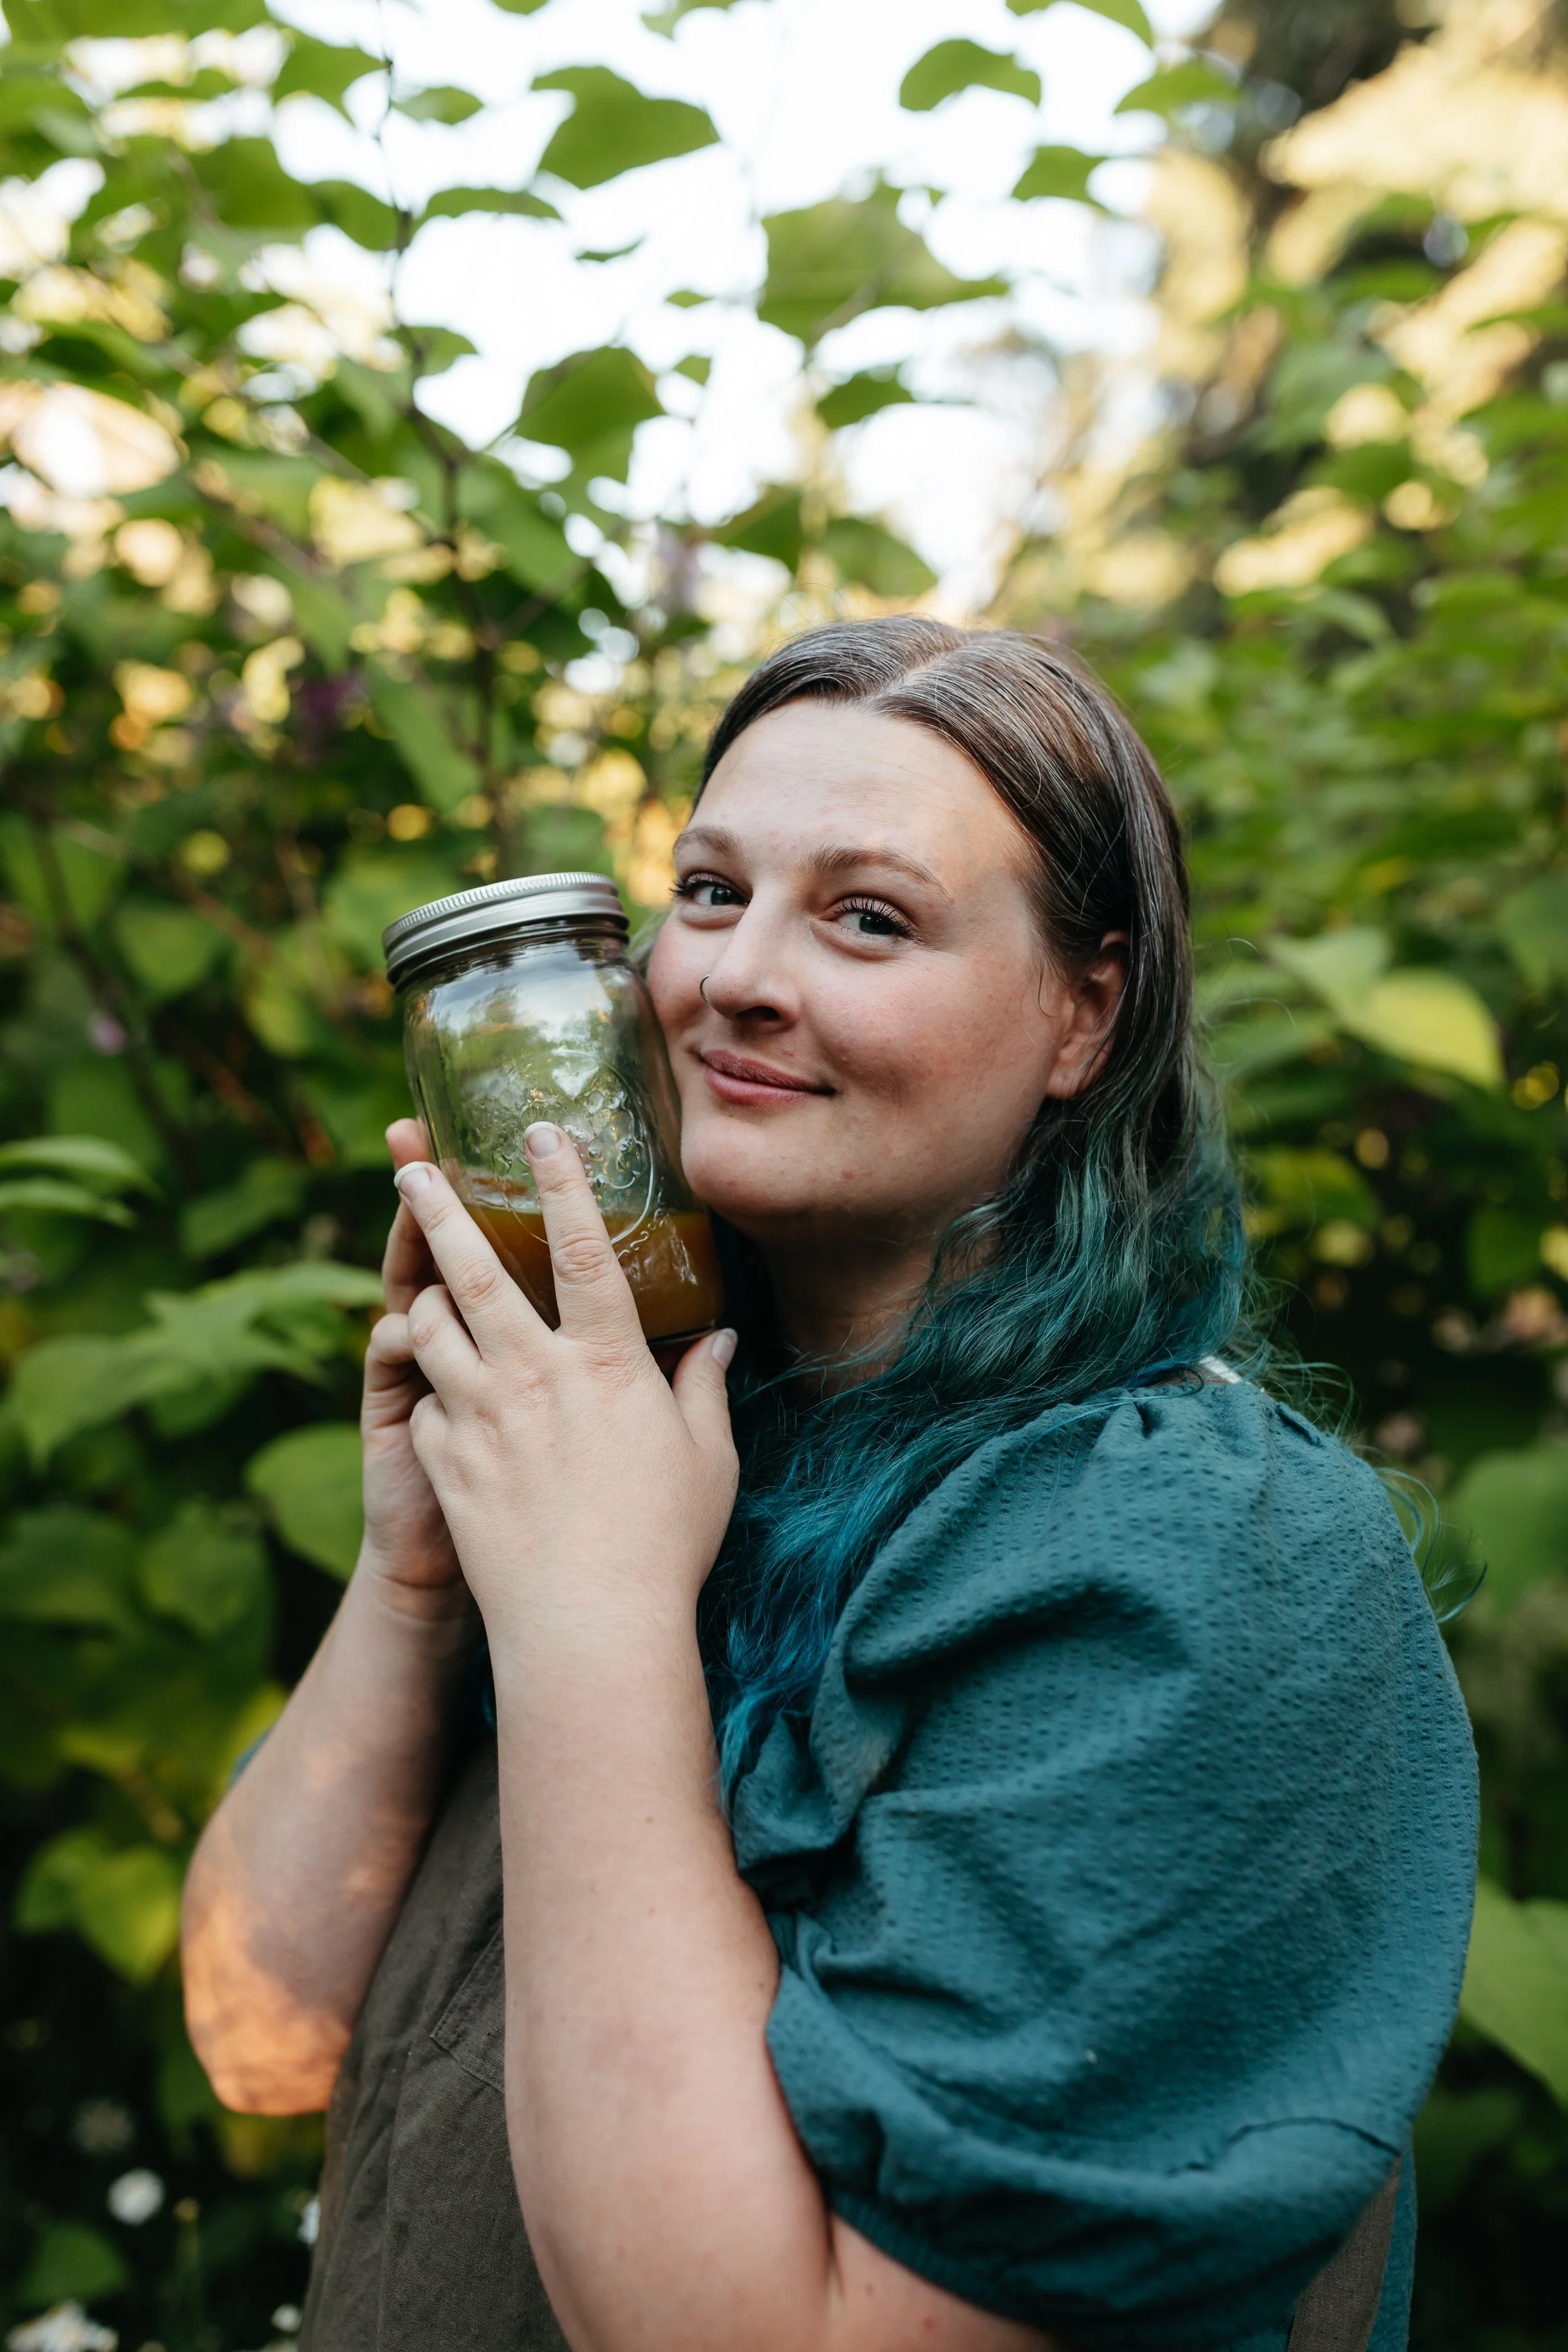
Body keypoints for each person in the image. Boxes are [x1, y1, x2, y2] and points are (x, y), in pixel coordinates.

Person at [181, 619, 1476, 2352]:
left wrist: (589, 1617)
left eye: (868, 916)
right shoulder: (639, 1429)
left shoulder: (1190, 1556)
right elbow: (263, 2033)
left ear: (1083, 1010)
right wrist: (419, 1581)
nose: (736, 976)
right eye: (708, 892)